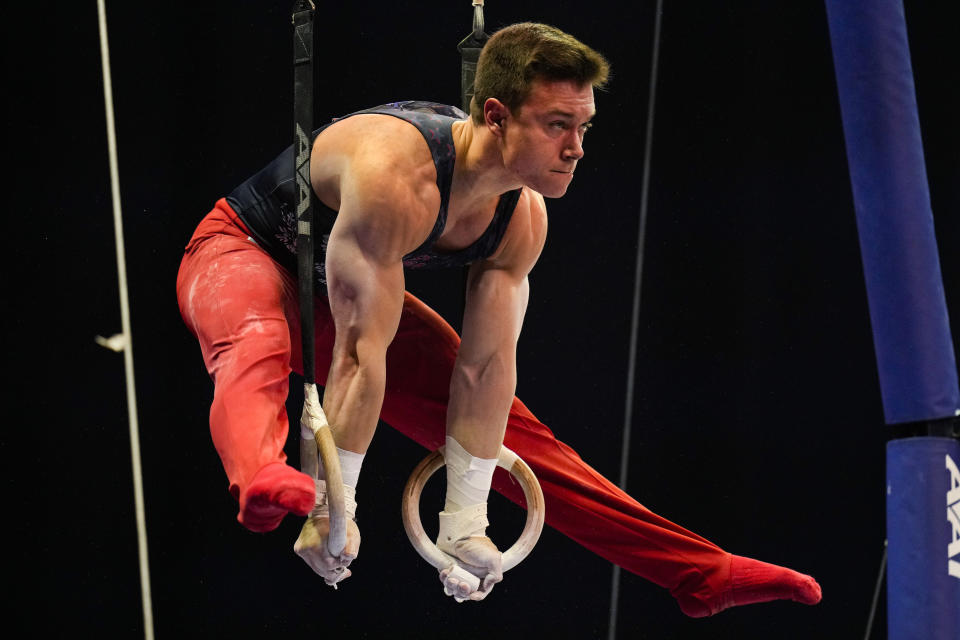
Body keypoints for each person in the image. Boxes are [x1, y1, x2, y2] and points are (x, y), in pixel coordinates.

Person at [176, 22, 822, 612]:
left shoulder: (523, 219)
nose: (576, 150)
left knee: (522, 434)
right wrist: (330, 506)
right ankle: (261, 476)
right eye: (557, 125)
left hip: (343, 296)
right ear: (496, 115)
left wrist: (465, 519)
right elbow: (357, 354)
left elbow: (485, 372)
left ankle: (696, 572)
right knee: (256, 342)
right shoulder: (395, 175)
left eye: (584, 128)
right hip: (243, 252)